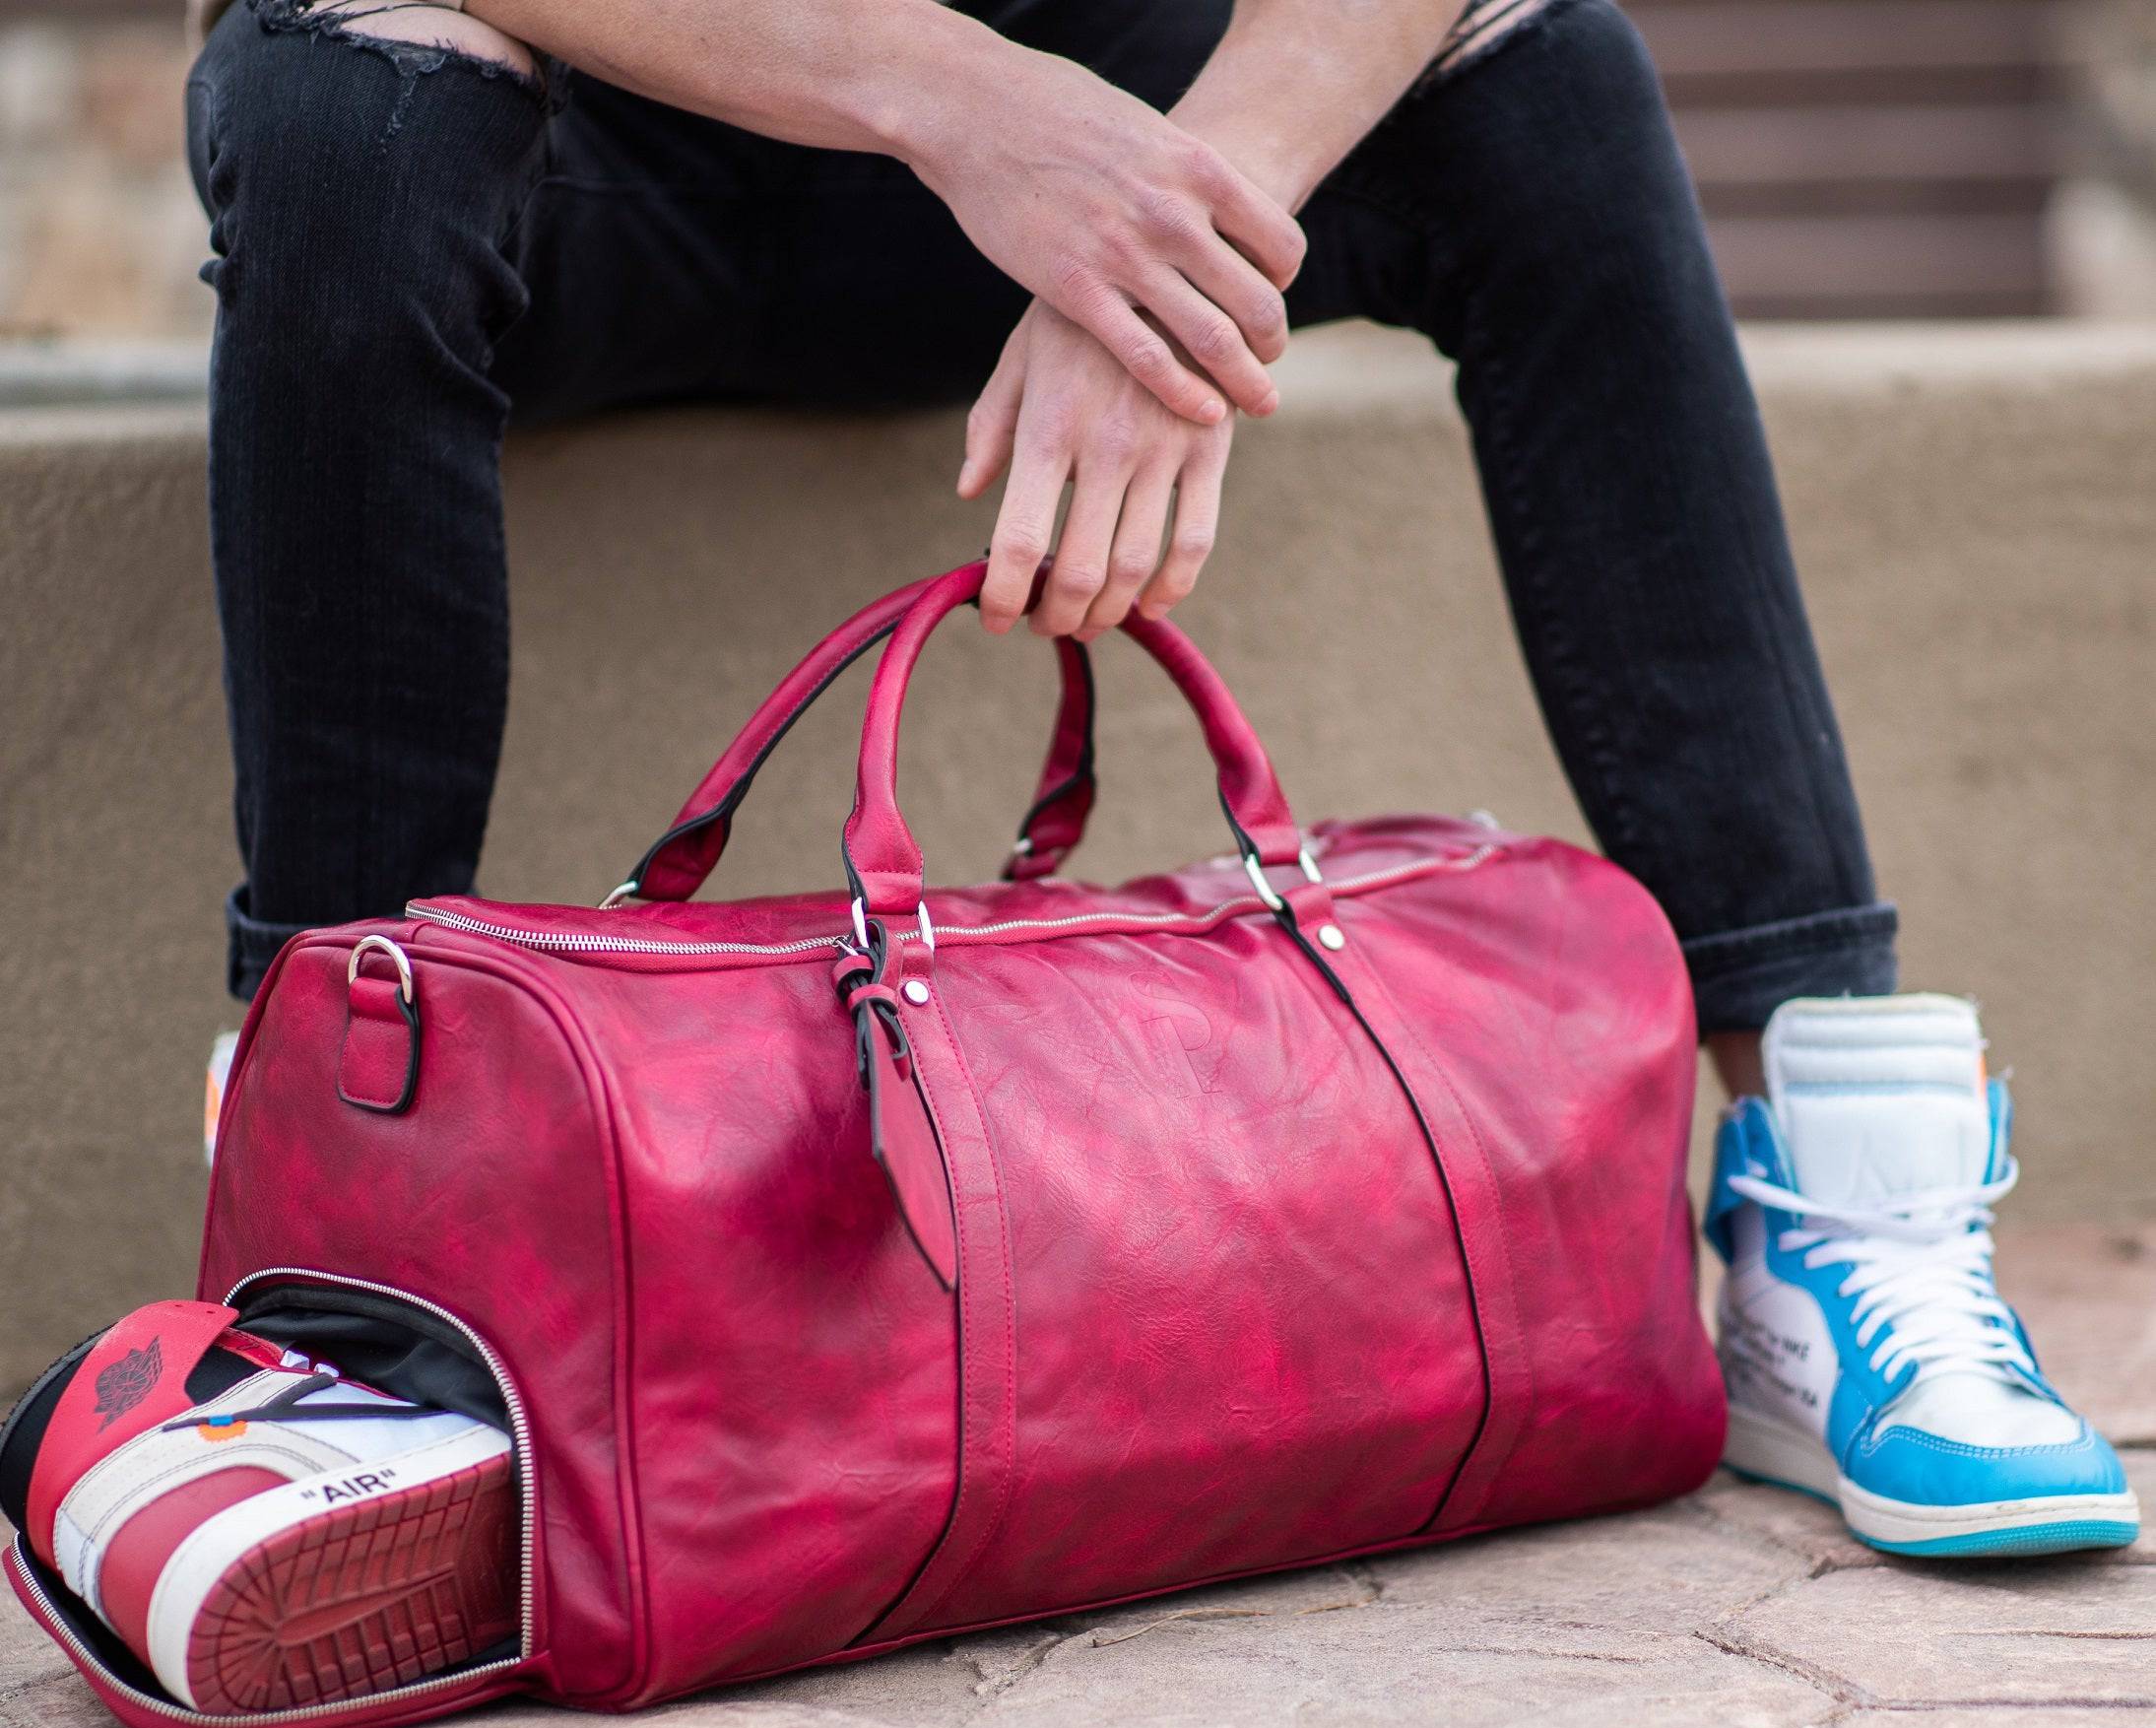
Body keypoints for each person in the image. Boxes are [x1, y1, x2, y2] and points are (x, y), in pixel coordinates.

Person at [182, 0, 2136, 1564]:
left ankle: (1834, 1225)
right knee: (340, 90)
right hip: (599, 140)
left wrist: (1171, 242)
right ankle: (346, 1232)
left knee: (1548, 71)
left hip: (1097, 137)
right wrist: (955, 95)